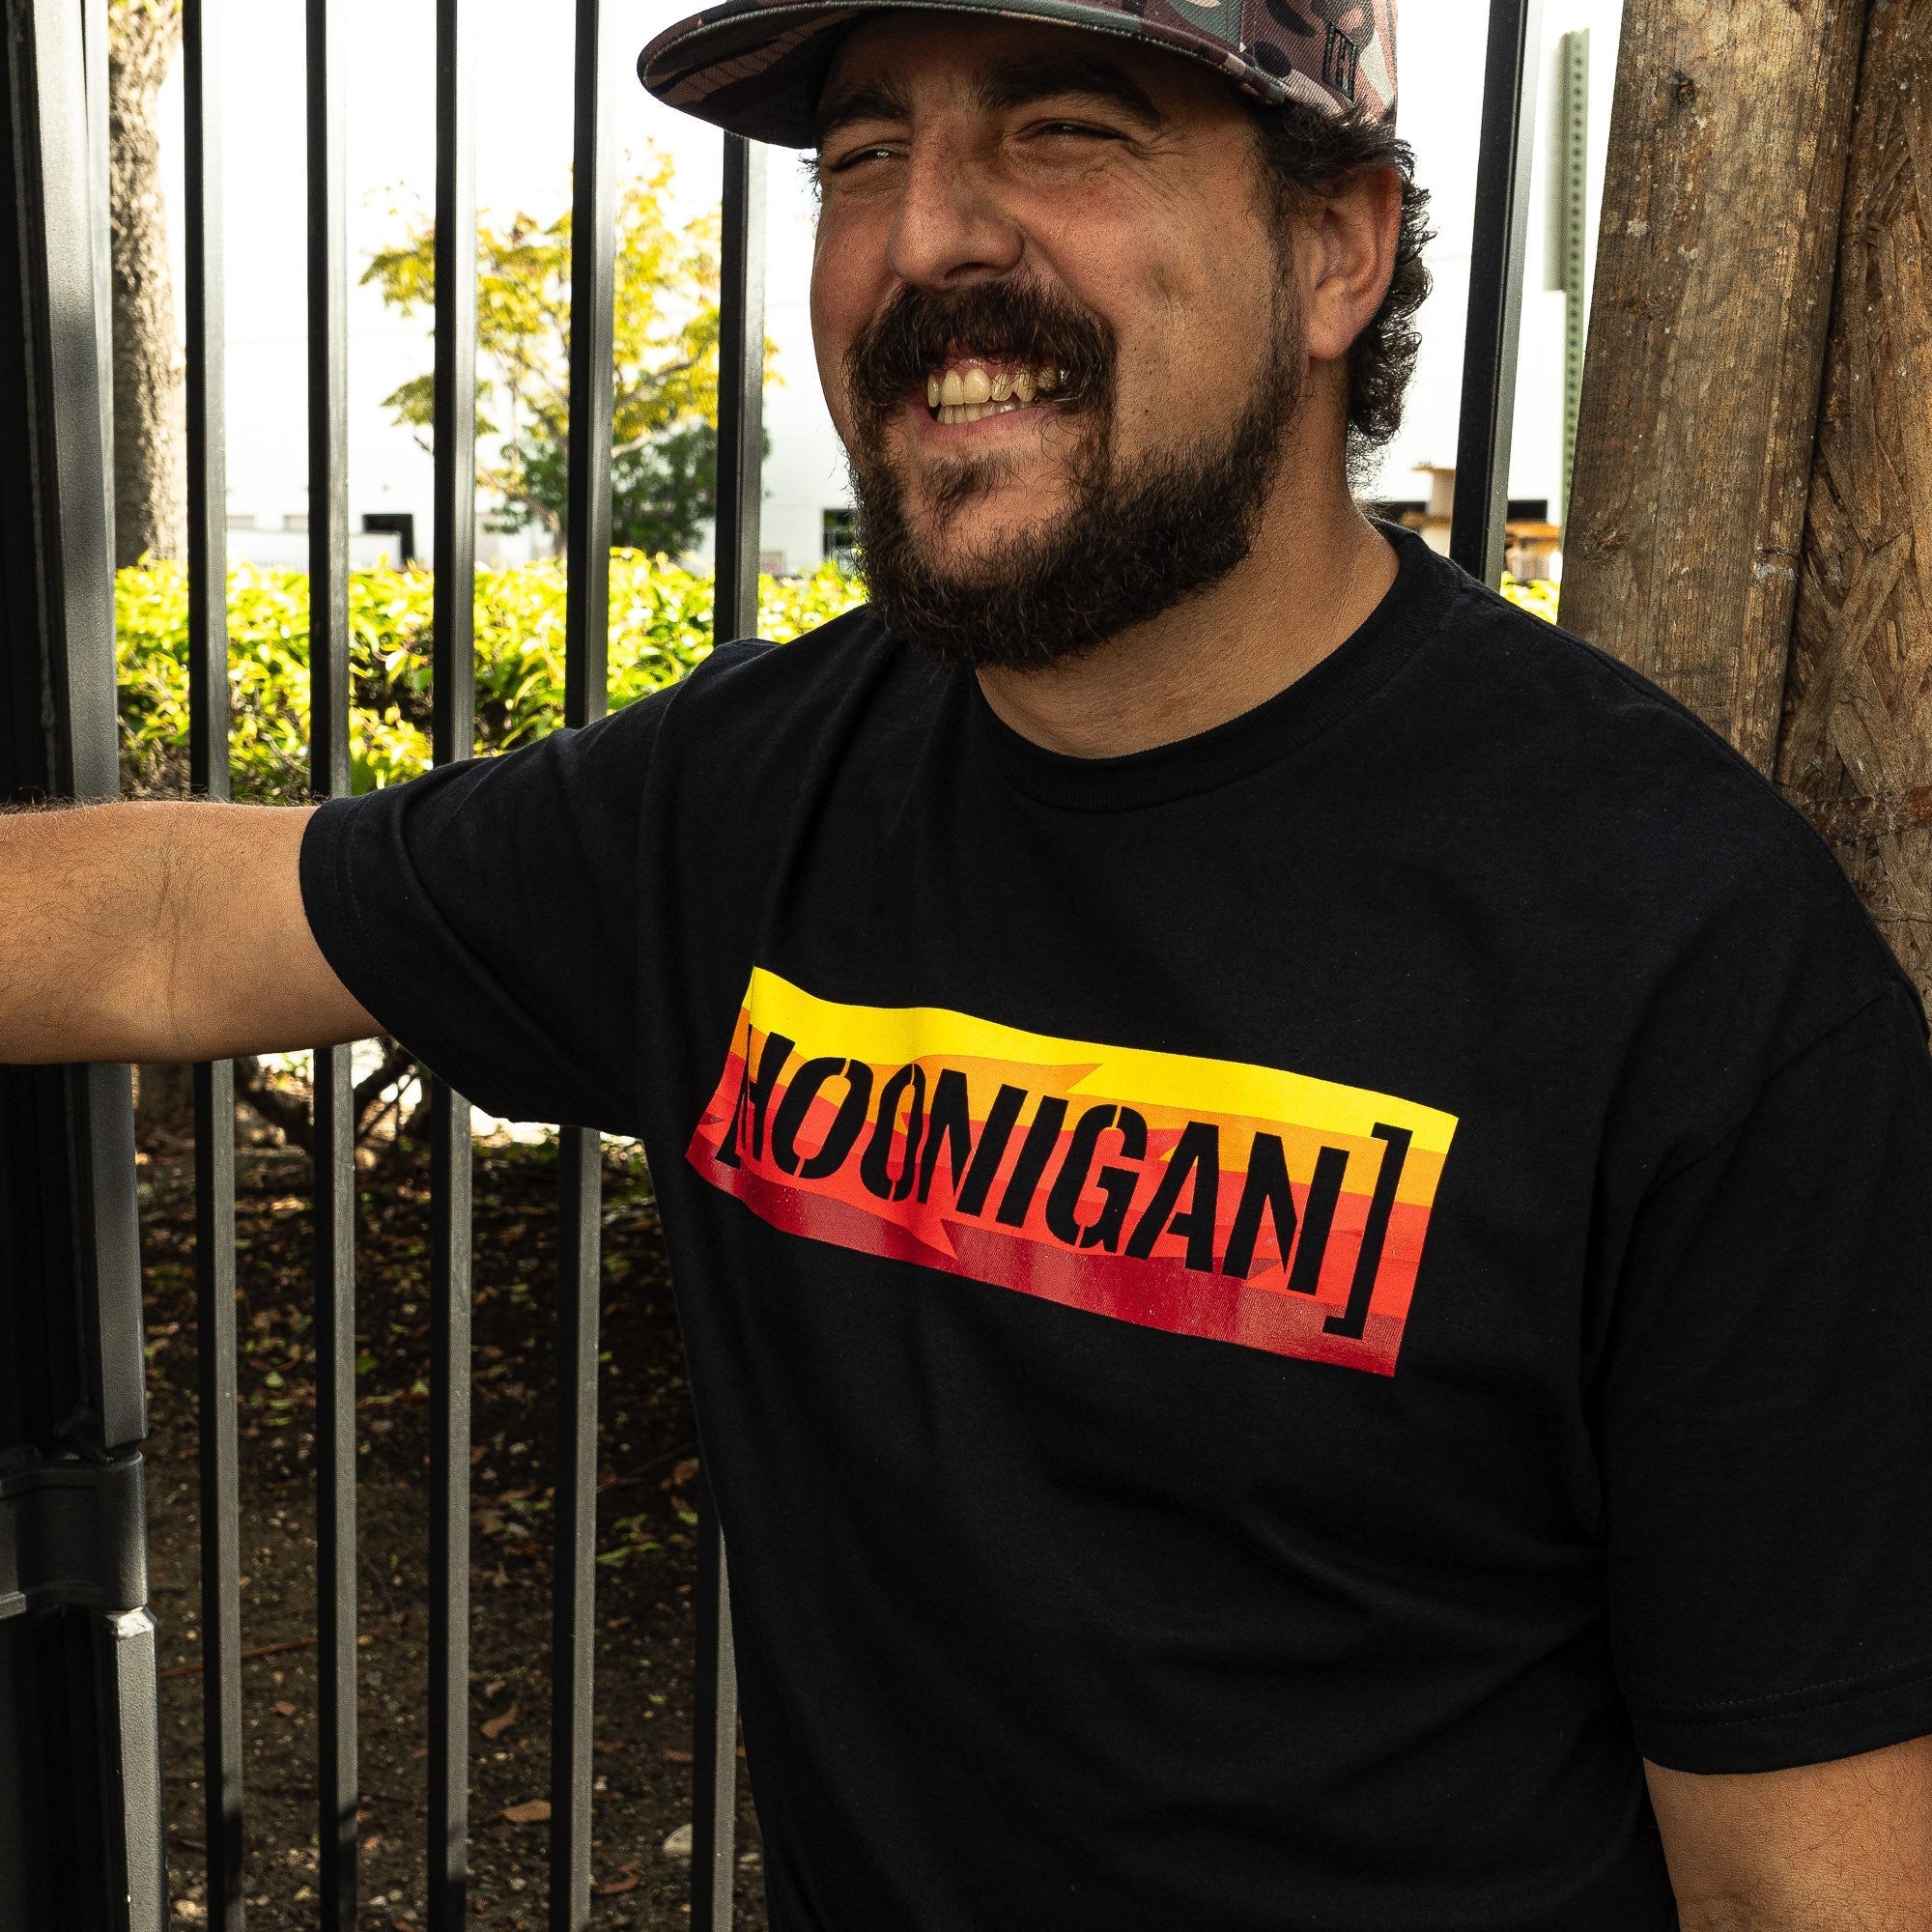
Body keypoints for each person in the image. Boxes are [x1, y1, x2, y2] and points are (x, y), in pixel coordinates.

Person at [6, 1, 1932, 1924]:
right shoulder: (746, 810)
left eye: (1067, 129)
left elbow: (1802, 1892)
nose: (922, 236)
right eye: (861, 154)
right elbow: (167, 926)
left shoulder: (1687, 958)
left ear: (1336, 247)